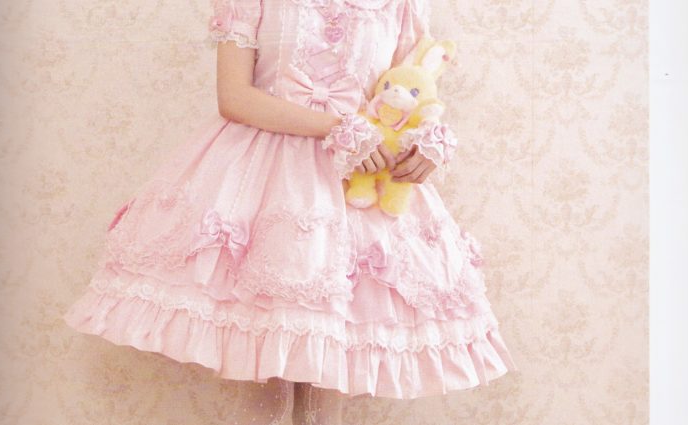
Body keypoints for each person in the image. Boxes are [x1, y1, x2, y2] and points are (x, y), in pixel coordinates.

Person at [62, 0, 519, 423]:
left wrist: (426, 144)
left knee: (326, 373)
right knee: (270, 382)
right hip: (261, 184)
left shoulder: (400, 4)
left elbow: (408, 94)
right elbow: (234, 97)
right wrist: (339, 127)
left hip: (355, 192)